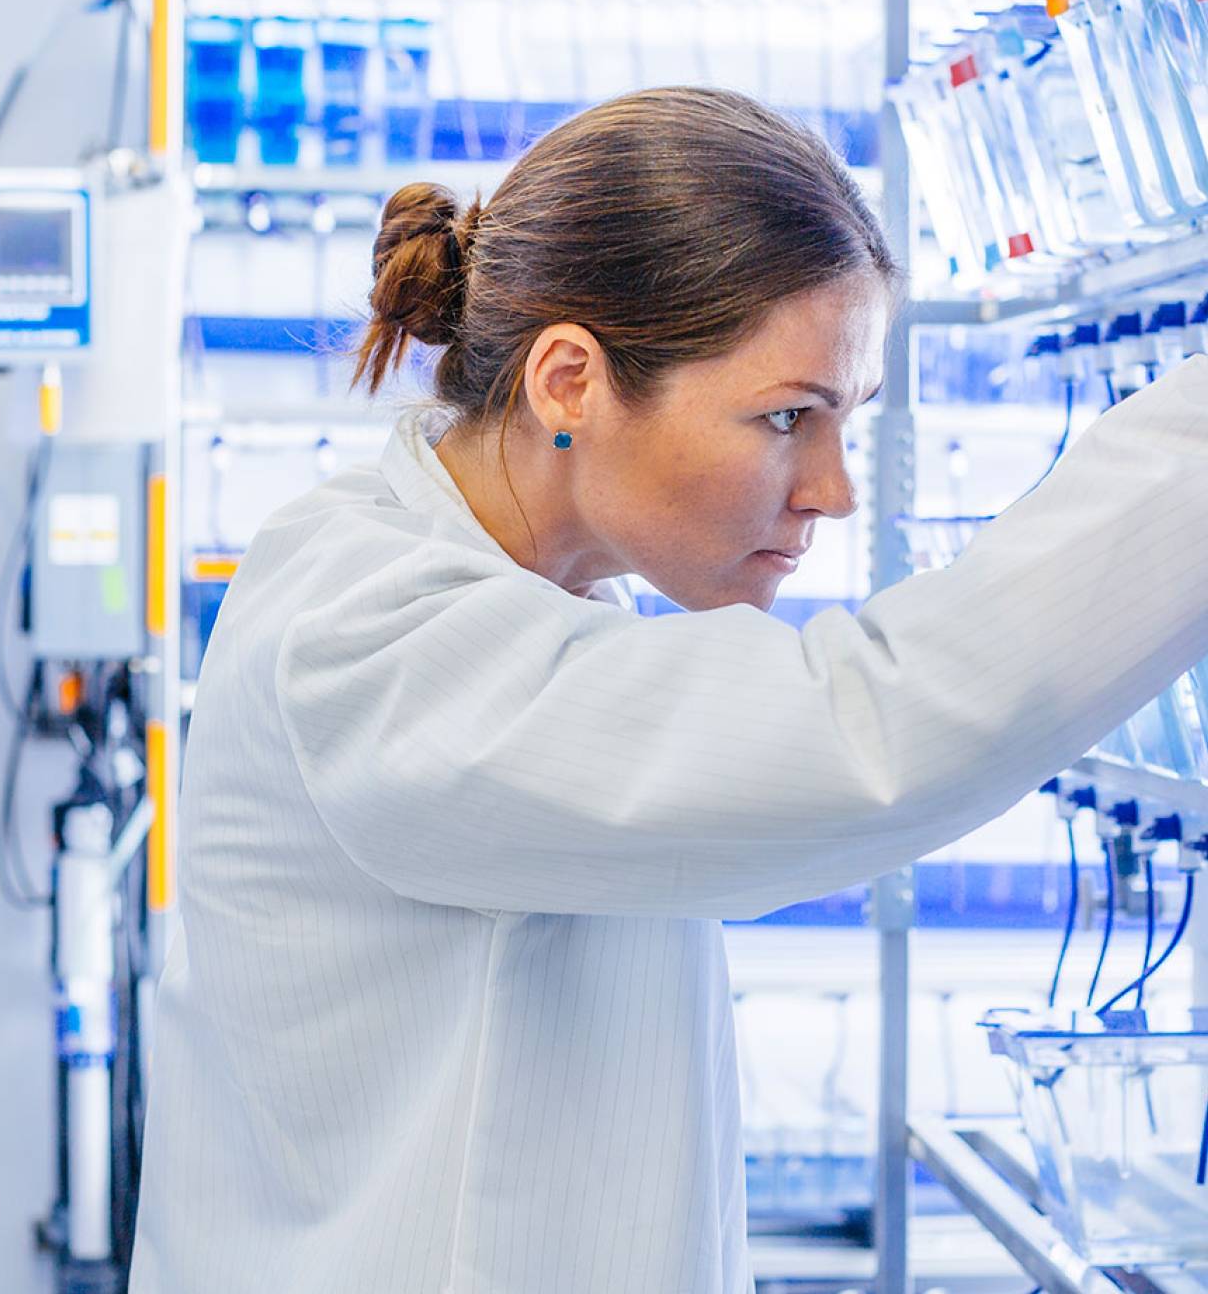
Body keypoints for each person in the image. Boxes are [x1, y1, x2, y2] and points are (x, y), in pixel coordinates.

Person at [130, 88, 1208, 1294]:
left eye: (845, 421)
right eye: (786, 418)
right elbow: (871, 736)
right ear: (571, 383)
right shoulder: (368, 635)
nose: (832, 491)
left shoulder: (548, 596)